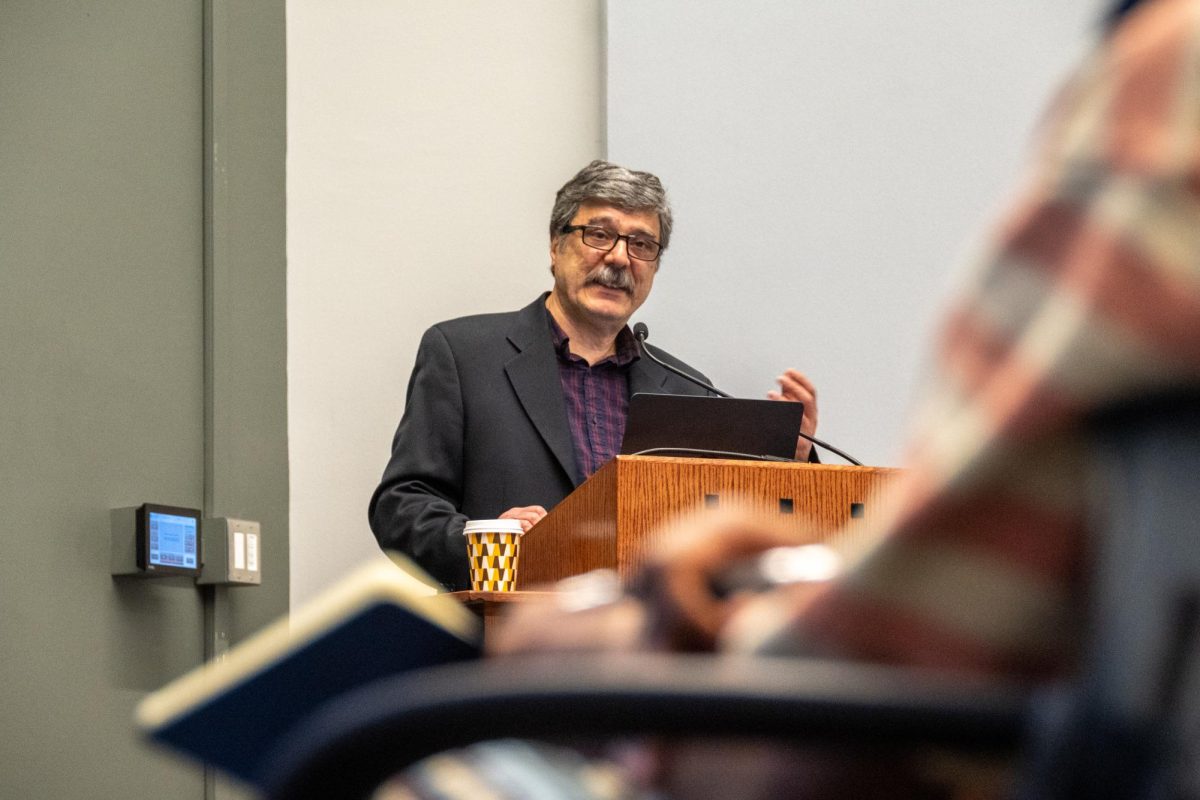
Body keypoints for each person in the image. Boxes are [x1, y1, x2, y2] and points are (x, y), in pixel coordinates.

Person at [369, 160, 821, 590]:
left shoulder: (686, 388)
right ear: (555, 245)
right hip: (512, 640)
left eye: (642, 244)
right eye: (599, 234)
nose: (620, 258)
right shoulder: (464, 354)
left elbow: (726, 529)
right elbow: (401, 507)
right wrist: (489, 544)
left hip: (645, 649)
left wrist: (793, 462)